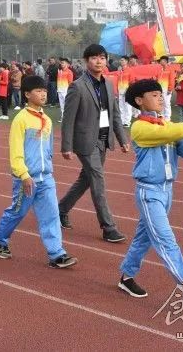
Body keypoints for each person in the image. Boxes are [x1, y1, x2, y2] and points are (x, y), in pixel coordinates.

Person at [117, 79, 183, 306]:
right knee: (165, 238)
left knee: (144, 238)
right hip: (149, 192)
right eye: (154, 95)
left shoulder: (165, 124)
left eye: (161, 94)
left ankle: (126, 276)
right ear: (139, 101)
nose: (160, 98)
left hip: (167, 191)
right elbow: (171, 133)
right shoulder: (140, 127)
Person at [0, 75, 77, 268]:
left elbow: (47, 148)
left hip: (46, 177)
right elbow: (16, 150)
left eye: (45, 91)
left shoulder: (46, 119)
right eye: (38, 91)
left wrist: (48, 165)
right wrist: (23, 174)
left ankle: (56, 254)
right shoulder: (21, 119)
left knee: (52, 214)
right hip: (26, 178)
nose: (43, 94)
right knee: (17, 212)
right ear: (27, 94)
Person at [58, 44, 130, 243]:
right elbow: (68, 119)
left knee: (86, 179)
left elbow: (115, 114)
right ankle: (108, 227)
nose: (99, 61)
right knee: (98, 180)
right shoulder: (77, 86)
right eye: (94, 58)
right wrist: (66, 146)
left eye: (102, 58)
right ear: (85, 61)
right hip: (85, 140)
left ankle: (60, 210)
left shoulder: (108, 84)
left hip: (104, 139)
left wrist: (122, 139)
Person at [116, 56, 135, 127]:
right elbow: (117, 81)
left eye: (122, 60)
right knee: (121, 106)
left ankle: (127, 121)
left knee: (127, 106)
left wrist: (128, 90)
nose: (121, 61)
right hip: (120, 91)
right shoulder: (120, 71)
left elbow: (132, 81)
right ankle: (122, 120)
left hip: (127, 91)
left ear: (126, 61)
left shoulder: (130, 70)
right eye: (120, 60)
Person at [56, 58, 74, 122]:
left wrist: (70, 91)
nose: (61, 64)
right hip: (59, 90)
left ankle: (70, 118)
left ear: (67, 64)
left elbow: (70, 83)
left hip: (66, 91)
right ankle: (63, 117)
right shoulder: (60, 71)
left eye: (63, 63)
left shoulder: (69, 72)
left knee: (68, 105)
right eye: (61, 63)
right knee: (62, 105)